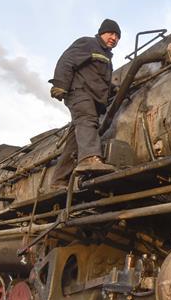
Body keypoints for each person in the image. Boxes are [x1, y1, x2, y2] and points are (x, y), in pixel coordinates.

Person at [49, 19, 121, 186]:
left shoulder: (108, 59)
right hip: (79, 92)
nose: (114, 38)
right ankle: (89, 158)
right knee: (88, 119)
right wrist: (60, 84)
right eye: (111, 33)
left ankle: (59, 180)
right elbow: (67, 60)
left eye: (117, 36)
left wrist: (114, 89)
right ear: (102, 32)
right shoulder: (88, 43)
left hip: (93, 98)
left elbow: (100, 80)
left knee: (74, 140)